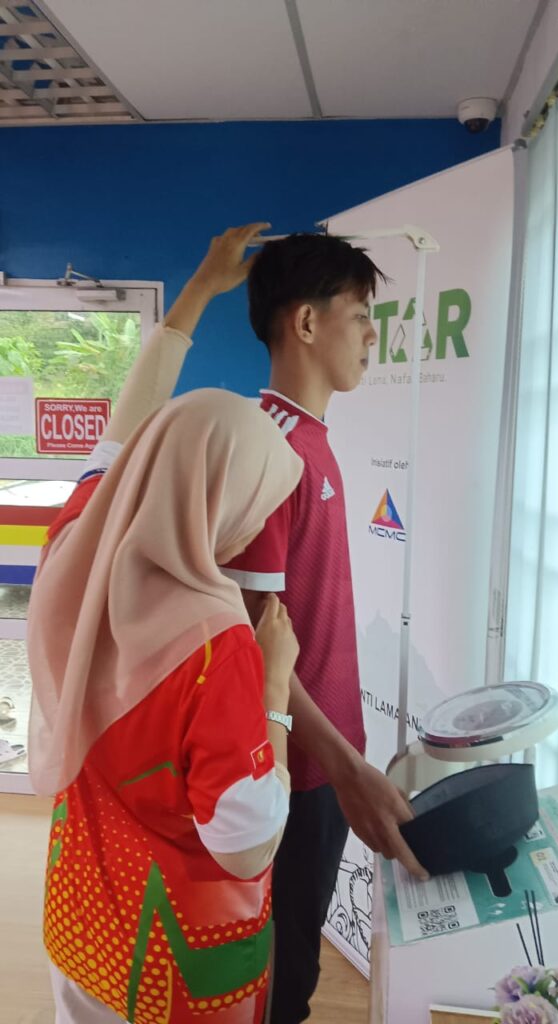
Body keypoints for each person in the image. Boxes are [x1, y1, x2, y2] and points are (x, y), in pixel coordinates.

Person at [26, 224, 304, 1024]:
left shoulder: (76, 545)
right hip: (170, 963)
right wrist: (276, 691)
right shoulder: (218, 646)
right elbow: (245, 843)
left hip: (82, 925)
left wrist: (198, 291)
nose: (255, 522)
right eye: (257, 499)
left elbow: (126, 427)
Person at [222, 232, 428, 1024]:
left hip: (324, 762)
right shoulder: (268, 448)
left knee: (293, 967)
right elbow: (253, 646)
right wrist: (344, 768)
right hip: (294, 769)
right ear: (306, 323)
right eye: (361, 314)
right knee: (280, 986)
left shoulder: (309, 438)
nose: (374, 334)